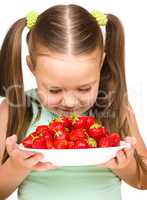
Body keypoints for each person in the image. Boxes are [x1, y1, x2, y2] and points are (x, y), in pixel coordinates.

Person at [0, 4, 147, 200]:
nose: (70, 102)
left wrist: (127, 166)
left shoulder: (117, 108)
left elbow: (144, 180)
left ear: (101, 64)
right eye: (54, 90)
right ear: (31, 67)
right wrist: (16, 166)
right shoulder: (15, 110)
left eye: (84, 89)